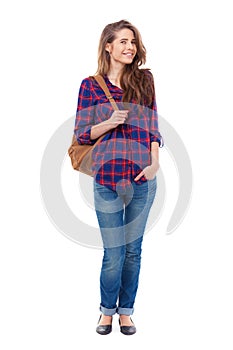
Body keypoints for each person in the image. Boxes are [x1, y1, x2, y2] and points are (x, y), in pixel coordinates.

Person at [74, 20, 163, 335]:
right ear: (108, 46)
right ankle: (105, 311)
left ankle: (126, 312)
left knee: (133, 250)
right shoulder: (91, 86)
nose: (129, 47)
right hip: (108, 180)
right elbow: (82, 134)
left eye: (133, 42)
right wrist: (109, 122)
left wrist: (154, 164)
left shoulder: (145, 80)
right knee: (114, 253)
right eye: (123, 41)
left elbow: (153, 126)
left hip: (142, 180)